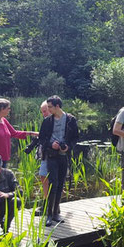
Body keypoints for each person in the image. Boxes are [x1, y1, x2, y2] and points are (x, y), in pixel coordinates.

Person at [38, 96, 79, 226]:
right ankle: (49, 214)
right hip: (51, 155)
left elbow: (75, 138)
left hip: (64, 155)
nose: (48, 109)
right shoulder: (47, 121)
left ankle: (56, 213)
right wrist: (51, 145)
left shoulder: (70, 120)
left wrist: (68, 147)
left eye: (50, 107)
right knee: (53, 184)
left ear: (57, 106)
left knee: (61, 183)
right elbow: (42, 139)